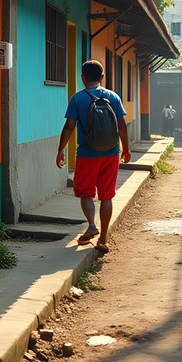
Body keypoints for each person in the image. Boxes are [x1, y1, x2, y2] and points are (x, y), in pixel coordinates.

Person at [55, 60, 131, 254]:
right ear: (102, 77)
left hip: (88, 154)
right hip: (111, 153)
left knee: (86, 193)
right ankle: (103, 239)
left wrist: (60, 149)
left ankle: (91, 224)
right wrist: (126, 149)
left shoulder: (77, 98)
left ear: (83, 77)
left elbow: (70, 126)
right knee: (107, 195)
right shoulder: (113, 97)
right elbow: (122, 125)